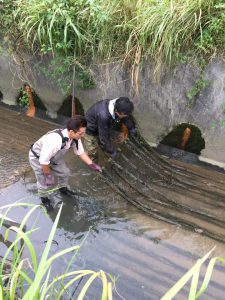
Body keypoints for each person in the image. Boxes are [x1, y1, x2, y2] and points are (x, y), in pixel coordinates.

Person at [29, 115, 102, 207]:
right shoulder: (55, 141)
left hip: (55, 158)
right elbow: (43, 161)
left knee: (65, 172)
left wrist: (92, 165)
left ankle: (62, 189)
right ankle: (43, 198)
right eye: (81, 133)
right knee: (43, 181)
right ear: (71, 131)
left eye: (84, 133)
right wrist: (48, 175)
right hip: (38, 158)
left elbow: (81, 153)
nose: (83, 136)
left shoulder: (75, 138)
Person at [84, 97, 136, 161]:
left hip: (102, 125)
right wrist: (112, 151)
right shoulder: (104, 115)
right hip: (90, 128)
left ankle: (107, 155)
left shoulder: (120, 104)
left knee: (104, 144)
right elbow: (104, 137)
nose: (126, 116)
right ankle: (94, 165)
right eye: (124, 115)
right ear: (117, 112)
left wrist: (131, 128)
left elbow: (126, 117)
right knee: (92, 150)